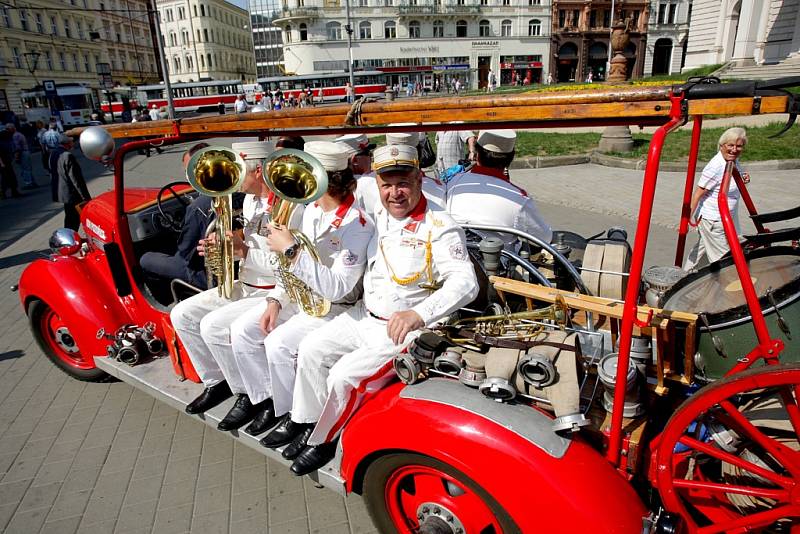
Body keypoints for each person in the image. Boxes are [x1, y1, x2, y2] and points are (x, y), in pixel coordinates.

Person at [270, 144, 478, 475]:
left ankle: (324, 441)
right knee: (310, 350)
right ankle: (308, 422)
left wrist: (418, 314)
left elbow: (466, 282)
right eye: (387, 184)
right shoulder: (376, 218)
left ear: (420, 179)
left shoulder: (439, 225)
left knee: (343, 376)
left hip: (404, 330)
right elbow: (336, 200)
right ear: (377, 185)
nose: (395, 193)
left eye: (403, 183)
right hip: (365, 316)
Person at [225, 141, 374, 441]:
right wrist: (275, 300)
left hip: (339, 308)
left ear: (324, 179)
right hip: (308, 301)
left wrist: (292, 250)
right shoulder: (313, 212)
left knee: (285, 345)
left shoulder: (357, 224)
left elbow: (340, 288)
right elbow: (290, 267)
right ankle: (290, 411)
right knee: (269, 340)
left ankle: (309, 421)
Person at [171, 141, 303, 424]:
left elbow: (291, 266)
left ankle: (261, 396)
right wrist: (226, 244)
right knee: (182, 314)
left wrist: (243, 252)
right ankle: (219, 382)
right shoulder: (252, 200)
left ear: (258, 171)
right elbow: (251, 239)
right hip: (248, 284)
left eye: (238, 171)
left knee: (215, 326)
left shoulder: (289, 208)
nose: (233, 179)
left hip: (275, 291)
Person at [444, 130, 552, 247]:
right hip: (499, 261)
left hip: (454, 251)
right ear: (509, 159)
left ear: (477, 155)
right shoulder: (519, 198)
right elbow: (544, 238)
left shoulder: (454, 182)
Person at [140, 143, 213, 290]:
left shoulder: (198, 207)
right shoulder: (240, 193)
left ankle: (168, 296)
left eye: (189, 170)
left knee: (145, 259)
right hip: (235, 265)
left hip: (205, 273)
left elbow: (186, 251)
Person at [683, 127, 751, 270]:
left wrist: (743, 177)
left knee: (701, 251)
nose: (734, 149)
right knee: (724, 258)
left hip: (726, 217)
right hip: (713, 220)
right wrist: (686, 219)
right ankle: (726, 285)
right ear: (722, 145)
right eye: (730, 145)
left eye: (739, 146)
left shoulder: (733, 160)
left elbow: (734, 178)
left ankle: (684, 277)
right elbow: (698, 193)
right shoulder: (716, 166)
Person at [50, 134, 91, 230]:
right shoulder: (68, 156)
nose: (73, 143)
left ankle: (68, 235)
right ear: (68, 143)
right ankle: (71, 239)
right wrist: (85, 197)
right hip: (72, 194)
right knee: (74, 219)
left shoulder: (54, 153)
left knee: (69, 216)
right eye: (72, 142)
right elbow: (76, 179)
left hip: (62, 192)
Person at [7, 124, 35, 189]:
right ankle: (32, 182)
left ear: (12, 128)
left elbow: (17, 148)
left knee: (25, 169)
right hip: (26, 151)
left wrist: (16, 157)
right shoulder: (18, 134)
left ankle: (29, 183)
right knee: (28, 168)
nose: (7, 130)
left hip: (22, 153)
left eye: (8, 129)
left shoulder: (15, 136)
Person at [0, 127, 20, 199]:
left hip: (7, 161)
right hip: (3, 163)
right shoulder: (1, 142)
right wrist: (2, 163)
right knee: (5, 178)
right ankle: (3, 193)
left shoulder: (7, 141)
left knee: (11, 177)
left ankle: (14, 191)